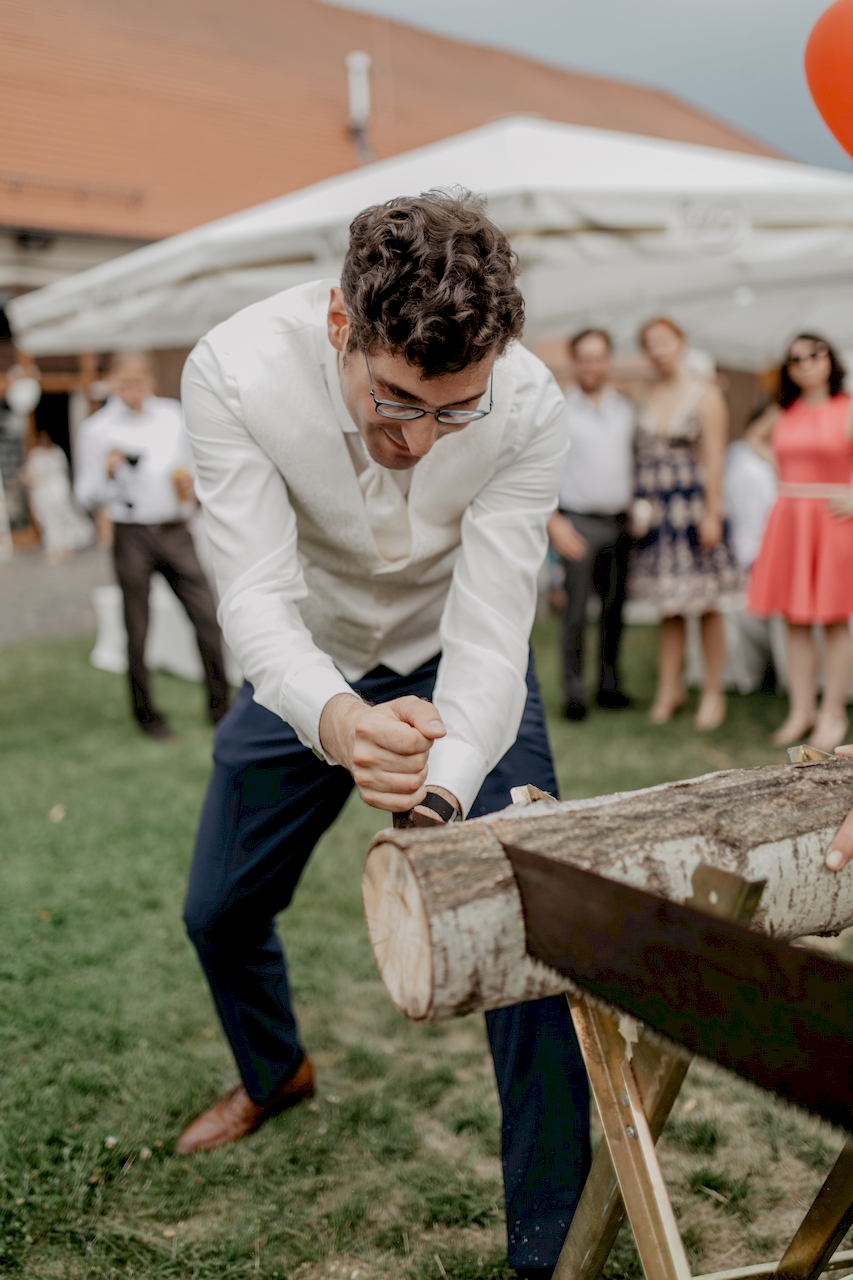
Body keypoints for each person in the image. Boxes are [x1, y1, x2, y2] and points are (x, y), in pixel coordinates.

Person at [174, 192, 588, 1280]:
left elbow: (493, 634)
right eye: (396, 399)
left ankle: (551, 1248)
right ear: (338, 325)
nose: (419, 439)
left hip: (455, 665)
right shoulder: (232, 371)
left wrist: (443, 795)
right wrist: (341, 720)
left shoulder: (529, 403)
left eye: (456, 412)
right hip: (305, 665)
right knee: (219, 909)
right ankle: (275, 1073)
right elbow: (252, 596)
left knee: (527, 926)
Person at [74, 353, 229, 740]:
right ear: (112, 382)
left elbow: (197, 467)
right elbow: (84, 494)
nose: (133, 390)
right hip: (132, 535)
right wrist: (108, 472)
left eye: (139, 381)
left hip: (177, 530)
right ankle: (147, 716)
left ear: (150, 380)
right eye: (125, 382)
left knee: (208, 618)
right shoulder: (97, 429)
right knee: (138, 628)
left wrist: (192, 484)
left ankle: (221, 708)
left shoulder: (172, 416)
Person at [630, 317, 741, 729]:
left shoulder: (706, 394)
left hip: (694, 508)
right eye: (649, 344)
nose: (657, 350)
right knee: (669, 605)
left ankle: (713, 692)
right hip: (656, 511)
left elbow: (716, 459)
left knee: (707, 602)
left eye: (663, 341)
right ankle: (669, 688)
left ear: (680, 342)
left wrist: (712, 513)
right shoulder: (642, 393)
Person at [747, 334, 853, 752]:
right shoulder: (784, 410)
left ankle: (833, 712)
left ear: (830, 359)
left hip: (832, 521)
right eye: (795, 359)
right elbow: (754, 438)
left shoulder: (847, 407)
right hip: (790, 519)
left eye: (813, 354)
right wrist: (782, 469)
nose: (805, 363)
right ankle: (801, 709)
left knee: (833, 618)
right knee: (794, 618)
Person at [547, 328, 635, 720]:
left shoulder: (626, 408)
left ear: (608, 360)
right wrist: (553, 520)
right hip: (577, 522)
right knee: (576, 612)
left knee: (615, 611)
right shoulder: (560, 408)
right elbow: (543, 467)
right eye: (584, 358)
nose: (592, 365)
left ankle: (609, 685)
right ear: (574, 362)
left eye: (598, 357)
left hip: (620, 521)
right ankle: (574, 692)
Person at [21, 430, 94, 564]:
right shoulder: (57, 452)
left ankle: (56, 550)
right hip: (60, 490)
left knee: (51, 522)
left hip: (45, 494)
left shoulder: (36, 455)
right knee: (62, 519)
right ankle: (66, 547)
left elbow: (31, 477)